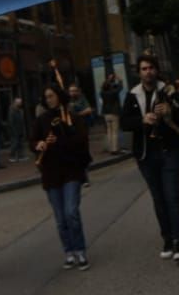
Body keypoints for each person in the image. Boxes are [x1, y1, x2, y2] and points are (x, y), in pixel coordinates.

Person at [120, 55, 179, 263]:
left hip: (168, 150)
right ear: (139, 72)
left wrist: (171, 110)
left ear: (157, 70)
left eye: (151, 68)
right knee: (158, 199)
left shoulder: (168, 91)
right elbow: (125, 121)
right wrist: (141, 119)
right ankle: (167, 239)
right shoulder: (133, 95)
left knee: (172, 197)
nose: (148, 72)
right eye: (144, 68)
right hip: (145, 154)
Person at [33, 86, 92, 269]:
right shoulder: (42, 120)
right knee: (60, 218)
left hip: (71, 170)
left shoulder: (72, 117)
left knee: (71, 212)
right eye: (46, 97)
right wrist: (40, 144)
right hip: (51, 173)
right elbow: (32, 141)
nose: (49, 99)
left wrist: (63, 135)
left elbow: (82, 140)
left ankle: (80, 250)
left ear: (59, 97)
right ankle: (69, 251)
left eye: (51, 96)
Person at [99, 72, 124, 152]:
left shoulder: (102, 93)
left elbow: (104, 87)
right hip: (114, 113)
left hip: (106, 114)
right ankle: (115, 149)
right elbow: (120, 88)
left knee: (109, 132)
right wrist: (120, 80)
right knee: (115, 132)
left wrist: (108, 80)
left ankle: (110, 148)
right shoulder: (113, 92)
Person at [7, 97, 28, 162]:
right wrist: (14, 131)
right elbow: (11, 122)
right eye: (19, 102)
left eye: (20, 102)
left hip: (20, 130)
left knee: (20, 144)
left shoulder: (19, 110)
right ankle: (12, 156)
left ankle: (21, 156)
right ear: (15, 103)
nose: (20, 104)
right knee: (15, 144)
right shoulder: (12, 111)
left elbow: (22, 121)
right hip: (15, 131)